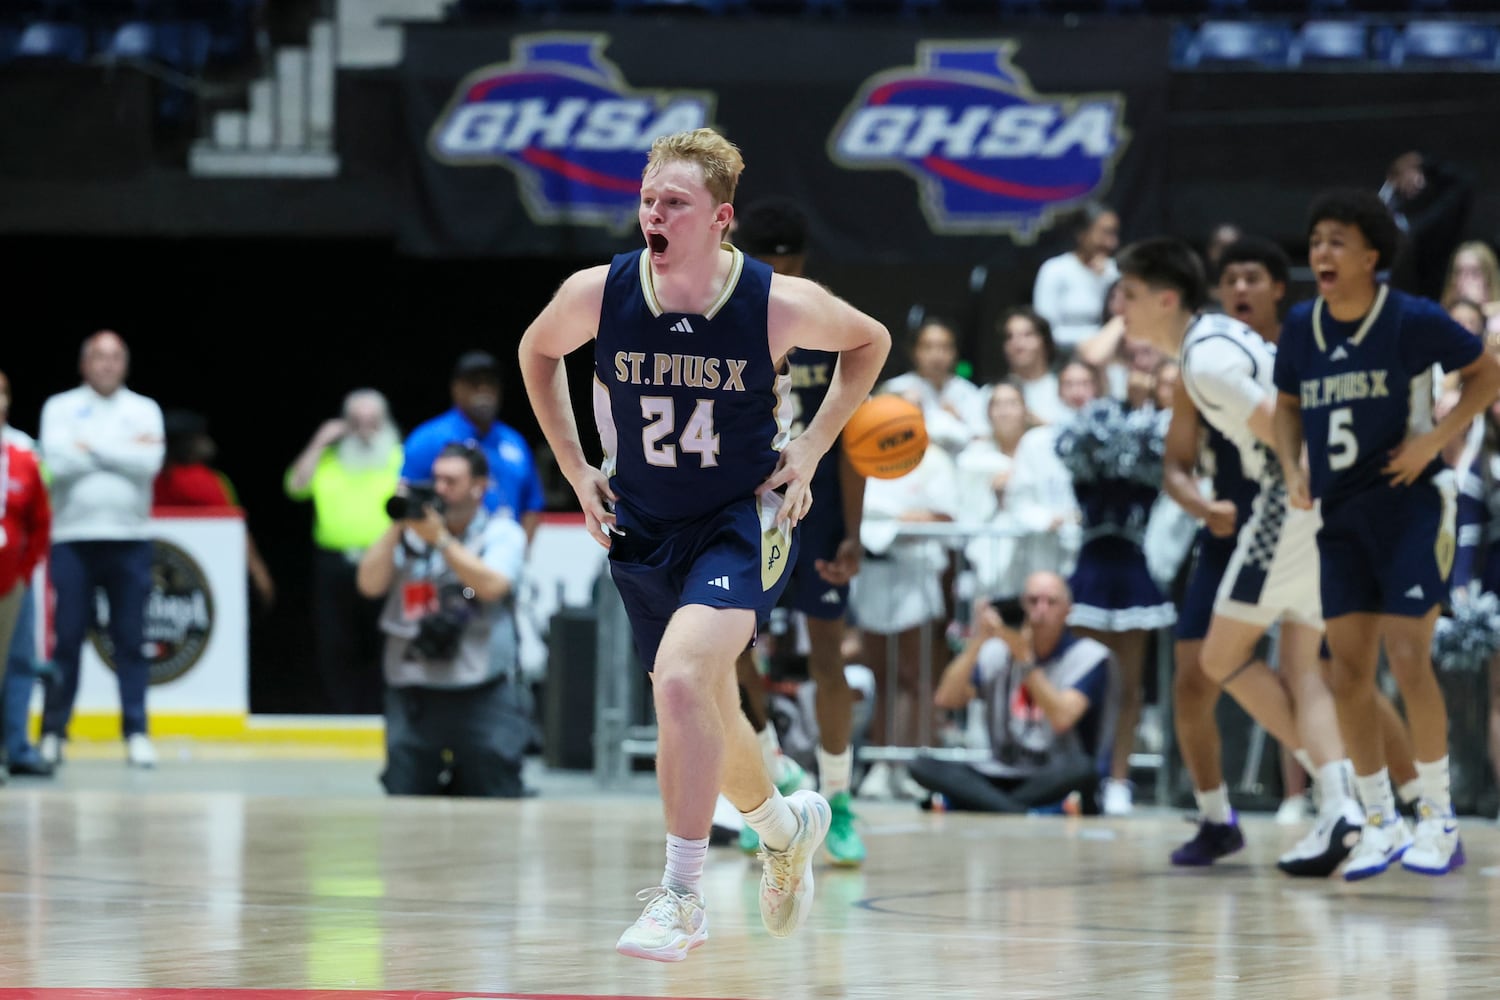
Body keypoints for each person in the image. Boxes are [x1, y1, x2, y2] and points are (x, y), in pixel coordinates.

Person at [517, 128, 890, 962]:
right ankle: (785, 827)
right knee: (707, 707)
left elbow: (870, 342)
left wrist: (817, 443)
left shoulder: (772, 302)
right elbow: (536, 354)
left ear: (720, 219)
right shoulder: (599, 291)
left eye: (674, 203)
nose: (654, 213)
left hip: (739, 517)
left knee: (682, 682)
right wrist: (576, 466)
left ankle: (681, 895)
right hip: (644, 523)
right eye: (648, 199)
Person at [1129, 235, 1417, 876]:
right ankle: (1358, 807)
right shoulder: (1219, 345)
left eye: (1127, 295)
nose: (1119, 309)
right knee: (1306, 668)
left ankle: (1366, 803)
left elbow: (1291, 431)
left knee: (1220, 658)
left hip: (1287, 508)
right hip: (1312, 507)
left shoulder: (1207, 359)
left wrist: (1320, 497)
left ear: (1165, 297)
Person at [1274, 189, 1500, 879]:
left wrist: (1434, 439)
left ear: (1372, 254)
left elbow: (1487, 373)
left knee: (1407, 656)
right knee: (1347, 673)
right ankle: (1378, 820)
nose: (1322, 254)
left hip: (1410, 506)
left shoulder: (1410, 318)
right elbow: (1286, 406)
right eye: (1316, 242)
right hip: (1341, 516)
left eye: (1337, 241)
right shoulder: (1302, 325)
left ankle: (1436, 815)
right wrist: (1290, 465)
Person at [721, 195, 869, 867]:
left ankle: (837, 800)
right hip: (746, 503)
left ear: (804, 262)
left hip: (819, 504)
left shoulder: (826, 318)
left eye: (788, 262)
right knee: (728, 651)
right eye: (768, 261)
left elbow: (858, 438)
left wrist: (853, 530)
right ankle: (776, 774)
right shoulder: (725, 312)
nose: (779, 271)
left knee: (828, 654)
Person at [356, 443, 531, 797]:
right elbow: (368, 585)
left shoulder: (501, 533)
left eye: (451, 481)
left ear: (479, 486)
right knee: (405, 792)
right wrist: (397, 525)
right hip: (414, 688)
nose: (440, 489)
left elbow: (493, 586)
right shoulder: (408, 537)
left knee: (494, 790)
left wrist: (442, 540)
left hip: (480, 687)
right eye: (436, 480)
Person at [38, 330, 164, 768]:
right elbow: (56, 462)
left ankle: (136, 732)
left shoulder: (144, 409)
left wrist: (89, 447)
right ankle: (54, 731)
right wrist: (121, 452)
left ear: (125, 364)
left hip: (130, 540)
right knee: (67, 639)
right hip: (72, 539)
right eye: (98, 356)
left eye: (115, 357)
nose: (107, 364)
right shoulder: (60, 407)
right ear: (84, 364)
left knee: (131, 640)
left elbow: (149, 463)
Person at [910, 571, 1115, 813]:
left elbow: (1062, 718)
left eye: (1051, 602)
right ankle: (1016, 808)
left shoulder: (1089, 656)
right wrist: (977, 641)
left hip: (1052, 773)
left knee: (1083, 769)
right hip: (998, 770)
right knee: (921, 764)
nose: (1040, 610)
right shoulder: (995, 651)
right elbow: (946, 698)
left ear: (1068, 610)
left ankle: (987, 804)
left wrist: (1025, 662)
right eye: (1032, 601)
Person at [285, 388, 403, 714]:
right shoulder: (328, 460)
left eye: (373, 421)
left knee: (386, 638)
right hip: (334, 563)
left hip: (384, 561)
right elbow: (295, 487)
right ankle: (344, 712)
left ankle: (385, 709)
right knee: (336, 643)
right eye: (356, 421)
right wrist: (319, 441)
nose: (365, 428)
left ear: (386, 422)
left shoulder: (399, 457)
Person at [401, 350, 545, 542]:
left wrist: (518, 553)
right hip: (447, 552)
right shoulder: (428, 439)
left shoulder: (514, 441)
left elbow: (532, 504)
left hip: (504, 551)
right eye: (474, 382)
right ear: (456, 388)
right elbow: (407, 499)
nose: (484, 389)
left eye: (491, 382)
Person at [154, 409, 275, 610]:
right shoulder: (206, 482)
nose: (207, 442)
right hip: (208, 580)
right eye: (201, 437)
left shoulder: (150, 480)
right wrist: (259, 571)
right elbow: (236, 528)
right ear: (188, 443)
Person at [0, 368, 52, 779]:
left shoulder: (26, 451)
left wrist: (26, 568)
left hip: (13, 576)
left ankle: (17, 746)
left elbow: (41, 518)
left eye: (1, 392)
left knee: (19, 659)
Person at [1032, 202, 1122, 353]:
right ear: (1082, 234)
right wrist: (1094, 340)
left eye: (1114, 234)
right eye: (1105, 233)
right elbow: (1045, 330)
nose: (1112, 243)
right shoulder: (1055, 270)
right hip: (1064, 358)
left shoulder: (1115, 271)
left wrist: (1108, 278)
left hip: (1111, 356)